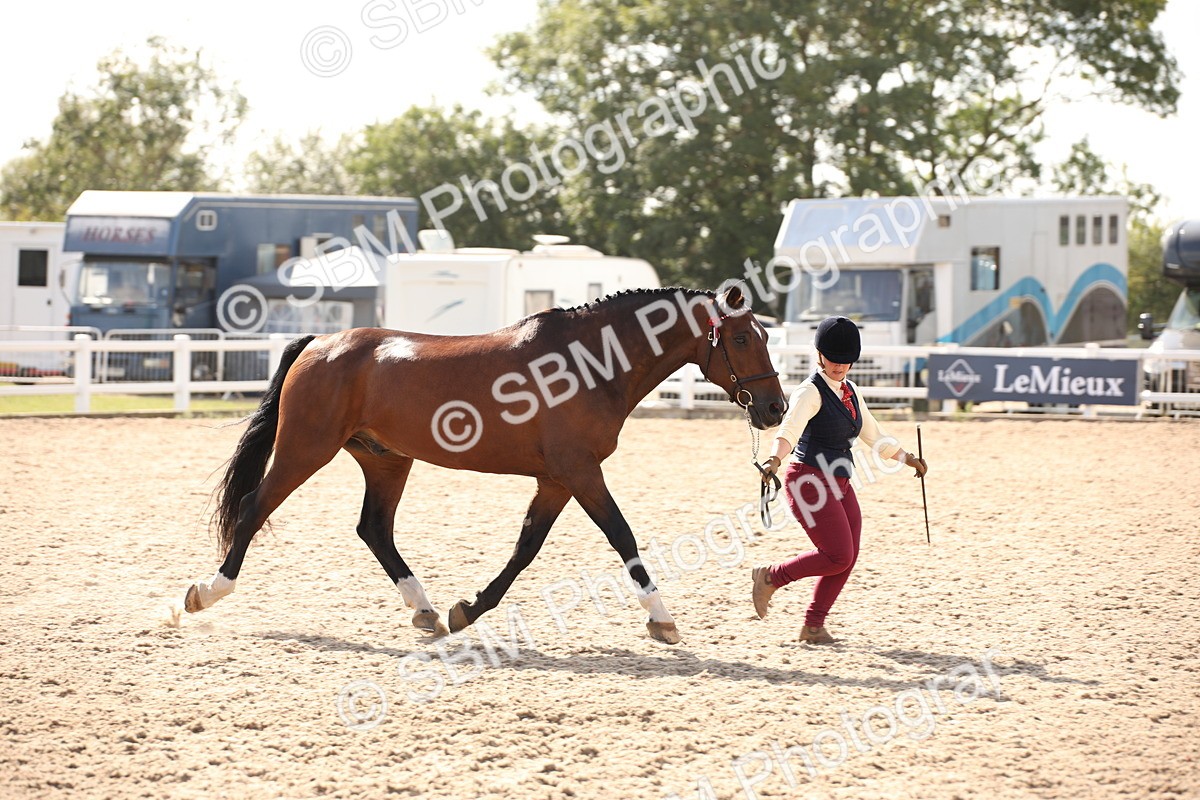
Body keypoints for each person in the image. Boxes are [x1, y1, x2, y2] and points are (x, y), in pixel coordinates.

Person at [752, 316, 928, 644]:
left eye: (846, 360)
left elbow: (872, 433)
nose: (840, 365)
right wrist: (774, 459)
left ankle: (813, 626)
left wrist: (907, 458)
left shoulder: (850, 391)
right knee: (838, 555)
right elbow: (789, 429)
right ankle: (771, 577)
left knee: (847, 556)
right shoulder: (810, 391)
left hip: (840, 481)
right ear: (819, 355)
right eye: (834, 358)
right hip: (808, 481)